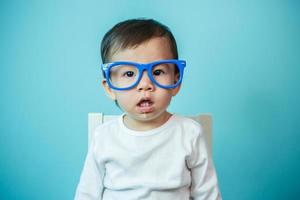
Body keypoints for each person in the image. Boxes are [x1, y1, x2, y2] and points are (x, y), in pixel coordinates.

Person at [75, 18, 222, 200]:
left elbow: (208, 195)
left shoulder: (190, 133)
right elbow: (87, 195)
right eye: (129, 74)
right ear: (110, 87)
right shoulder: (104, 136)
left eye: (158, 72)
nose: (145, 84)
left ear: (176, 81)